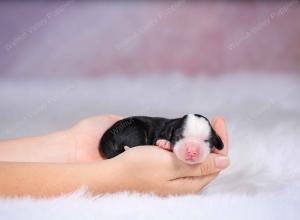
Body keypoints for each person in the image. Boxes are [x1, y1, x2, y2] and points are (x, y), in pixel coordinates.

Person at [0, 115, 229, 197]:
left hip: (122, 136)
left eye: (205, 142)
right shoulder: (164, 130)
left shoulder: (172, 130)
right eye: (182, 139)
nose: (192, 149)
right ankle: (122, 149)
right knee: (137, 129)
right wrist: (112, 176)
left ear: (214, 142)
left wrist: (74, 144)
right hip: (128, 132)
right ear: (171, 133)